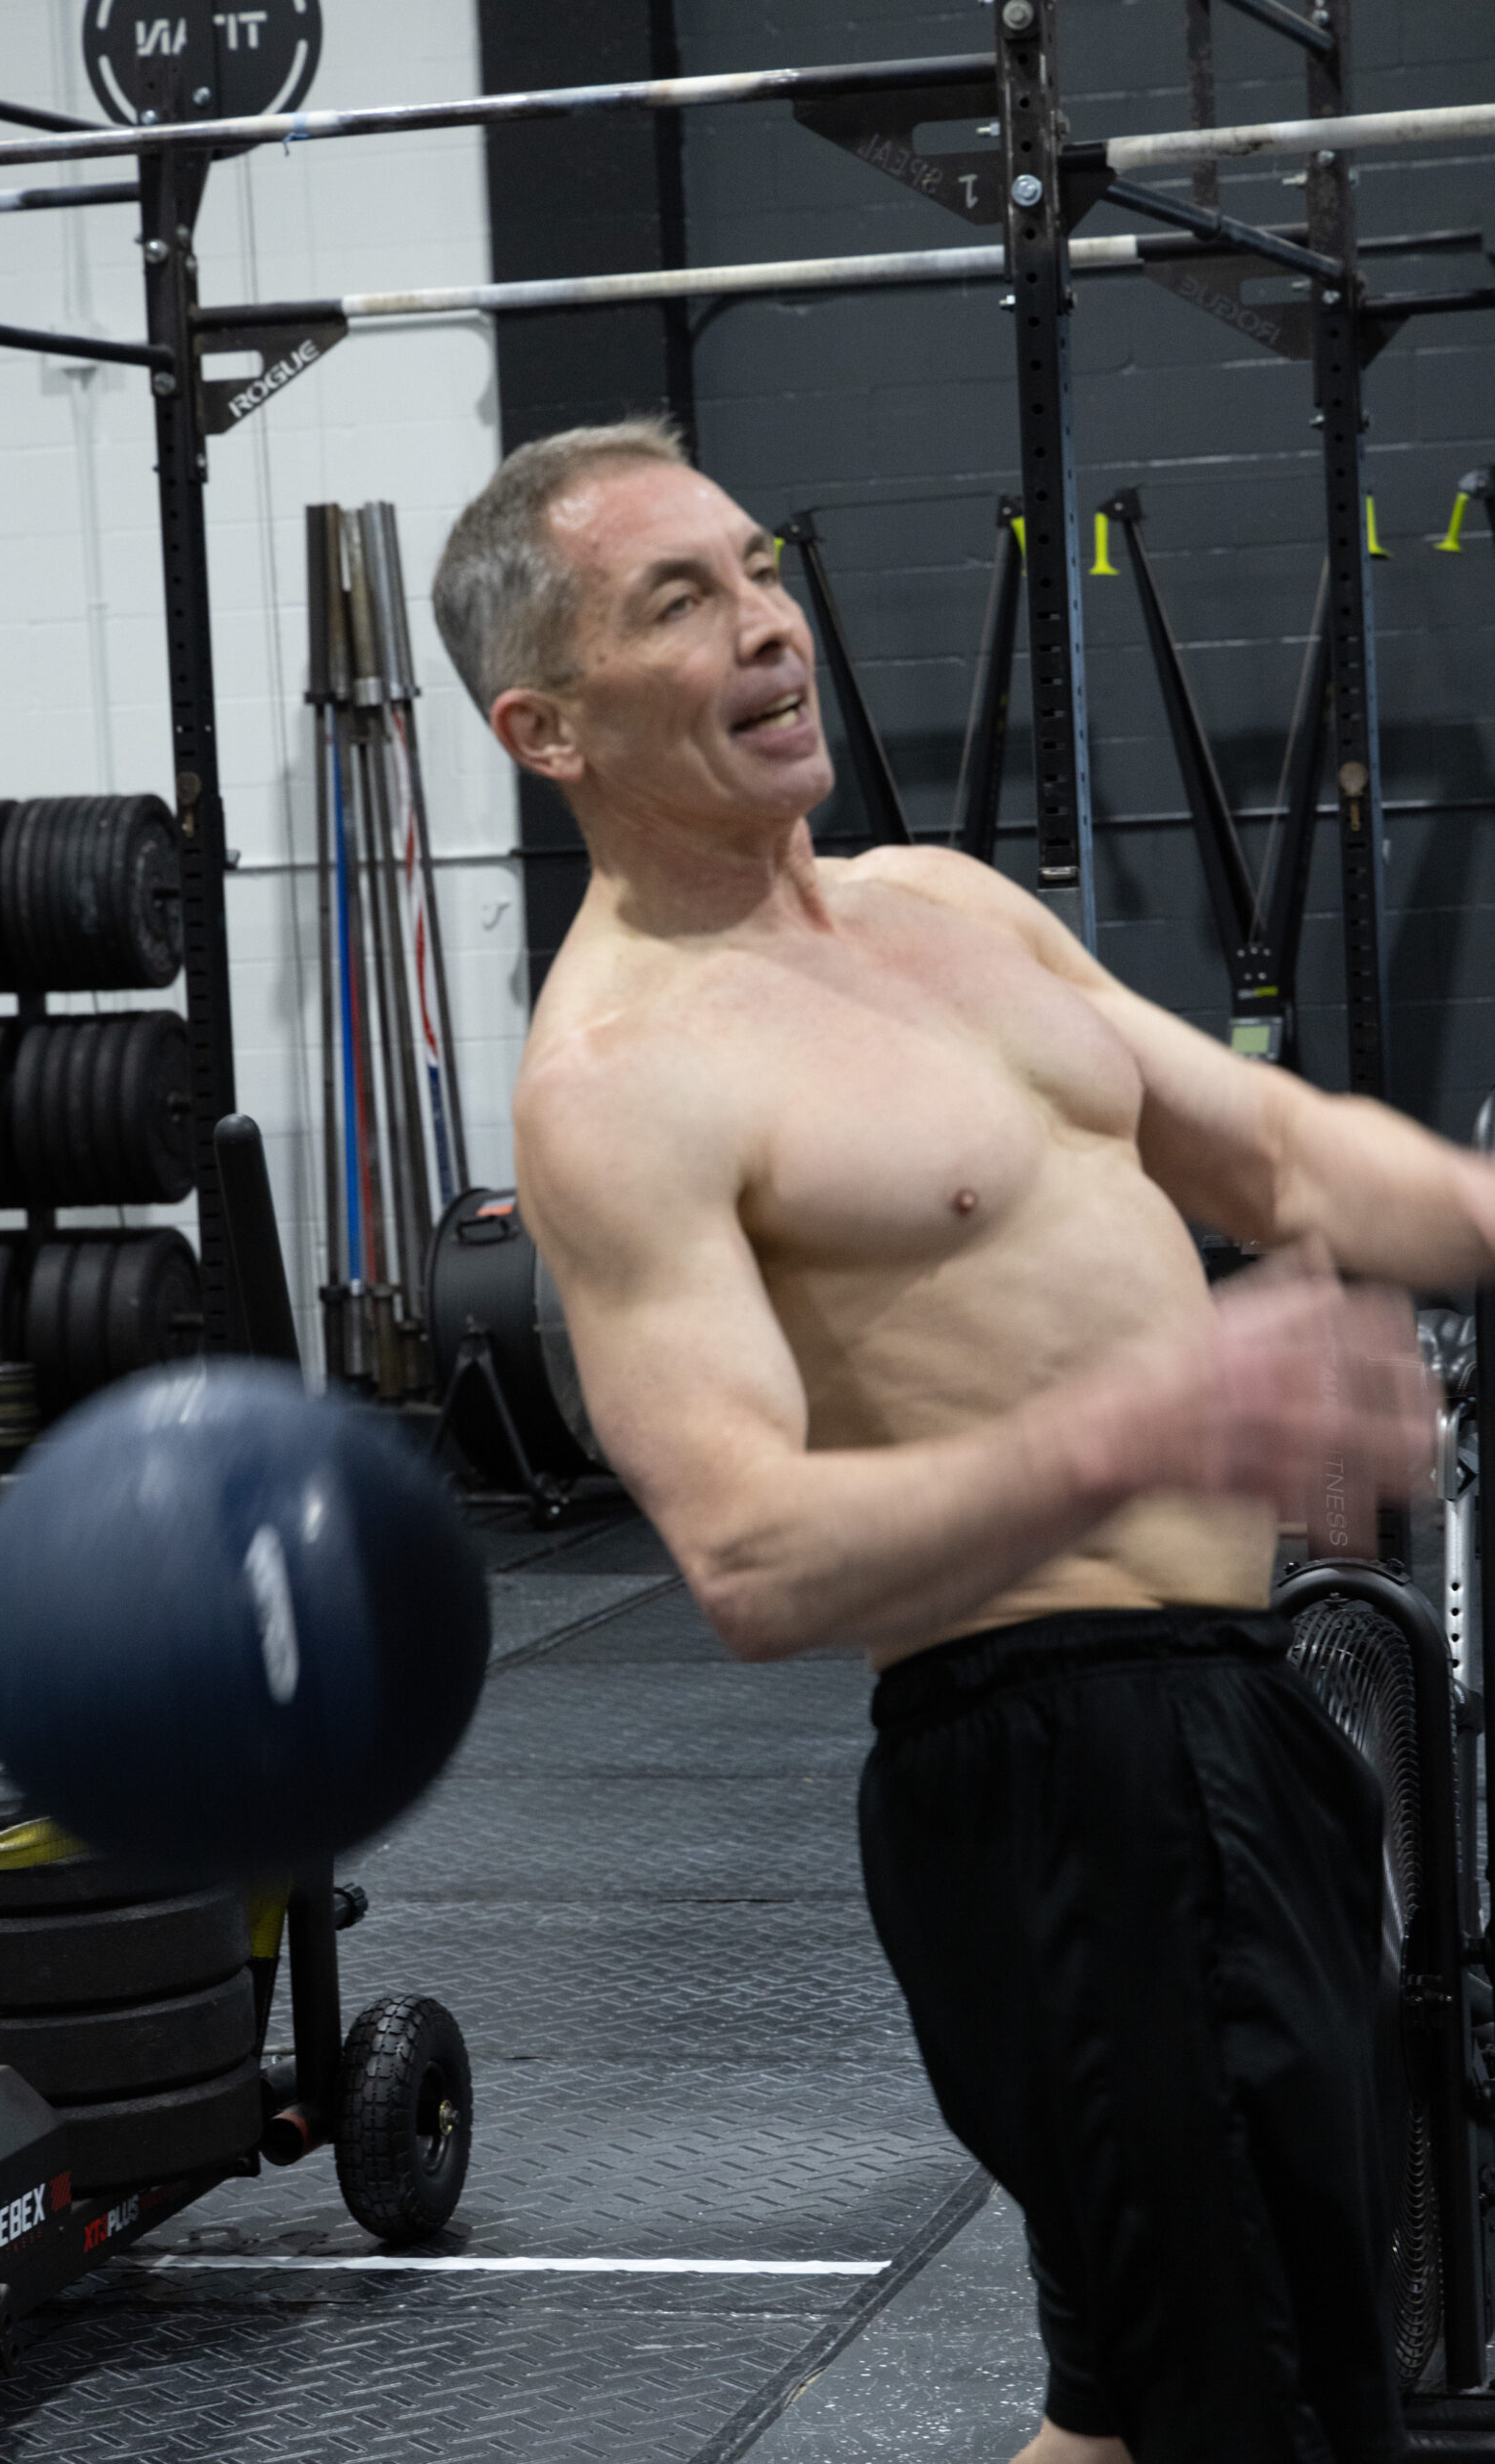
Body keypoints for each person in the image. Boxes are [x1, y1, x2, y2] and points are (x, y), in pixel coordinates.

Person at [431, 417, 1474, 2464]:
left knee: (1134, 2403)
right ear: (546, 727)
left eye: (755, 568)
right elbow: (750, 1557)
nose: (765, 627)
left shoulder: (939, 905)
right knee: (1256, 2404)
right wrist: (1154, 1417)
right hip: (1064, 1776)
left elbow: (1272, 1149)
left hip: (1233, 1713)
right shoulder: (622, 1077)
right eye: (677, 602)